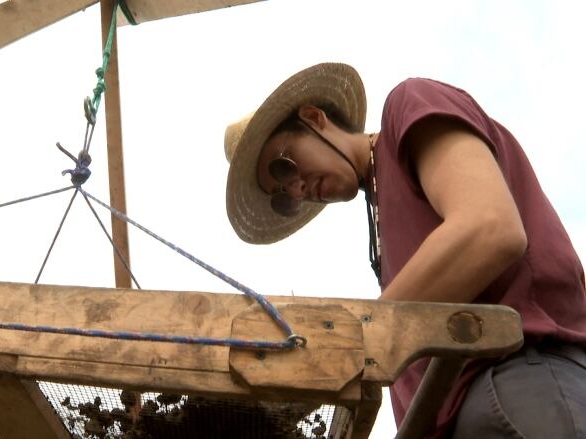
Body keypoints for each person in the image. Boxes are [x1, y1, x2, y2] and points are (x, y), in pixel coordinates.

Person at [222, 63, 586, 438]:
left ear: (314, 119)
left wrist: (348, 343)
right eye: (282, 195)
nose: (296, 190)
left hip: (513, 386)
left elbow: (489, 228)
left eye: (284, 168)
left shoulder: (408, 104)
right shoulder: (381, 215)